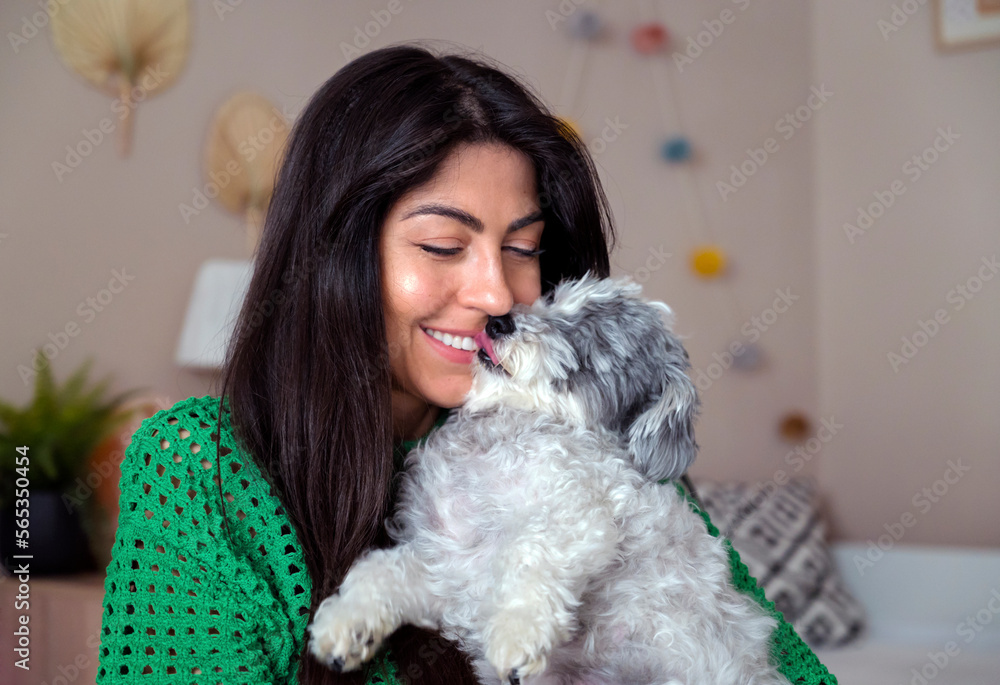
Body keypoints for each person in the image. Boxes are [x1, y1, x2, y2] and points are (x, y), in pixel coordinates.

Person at [96, 42, 837, 685]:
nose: (496, 293)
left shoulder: (592, 441)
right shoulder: (202, 469)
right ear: (335, 257)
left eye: (522, 249)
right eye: (443, 246)